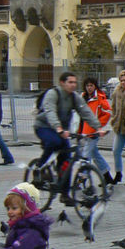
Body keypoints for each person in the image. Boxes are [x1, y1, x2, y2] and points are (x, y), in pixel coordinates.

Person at [33, 72, 101, 204]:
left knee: (67, 161)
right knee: (54, 142)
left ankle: (64, 194)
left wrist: (98, 127)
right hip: (44, 126)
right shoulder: (53, 94)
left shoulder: (74, 97)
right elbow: (50, 112)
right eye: (70, 82)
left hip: (62, 130)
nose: (73, 85)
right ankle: (39, 168)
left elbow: (85, 111)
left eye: (75, 82)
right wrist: (58, 128)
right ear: (62, 83)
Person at [78, 78, 113, 184]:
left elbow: (107, 112)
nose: (89, 88)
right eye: (87, 85)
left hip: (93, 132)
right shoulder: (82, 97)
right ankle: (107, 176)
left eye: (91, 86)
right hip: (84, 130)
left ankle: (82, 178)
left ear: (95, 86)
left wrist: (98, 125)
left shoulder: (99, 98)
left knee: (86, 154)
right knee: (94, 154)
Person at [109, 70, 125, 185]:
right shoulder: (116, 92)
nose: (123, 82)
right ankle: (118, 173)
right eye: (121, 80)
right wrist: (114, 118)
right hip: (118, 126)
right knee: (116, 150)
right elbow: (113, 107)